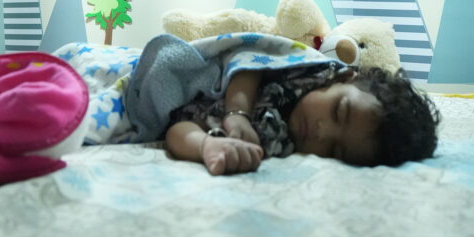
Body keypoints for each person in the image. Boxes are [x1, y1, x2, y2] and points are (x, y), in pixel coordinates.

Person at [164, 60, 440, 176]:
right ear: (343, 78)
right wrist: (237, 113)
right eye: (338, 111)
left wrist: (207, 145)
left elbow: (178, 129)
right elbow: (249, 60)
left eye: (335, 151)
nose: (321, 132)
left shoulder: (271, 141)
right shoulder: (305, 69)